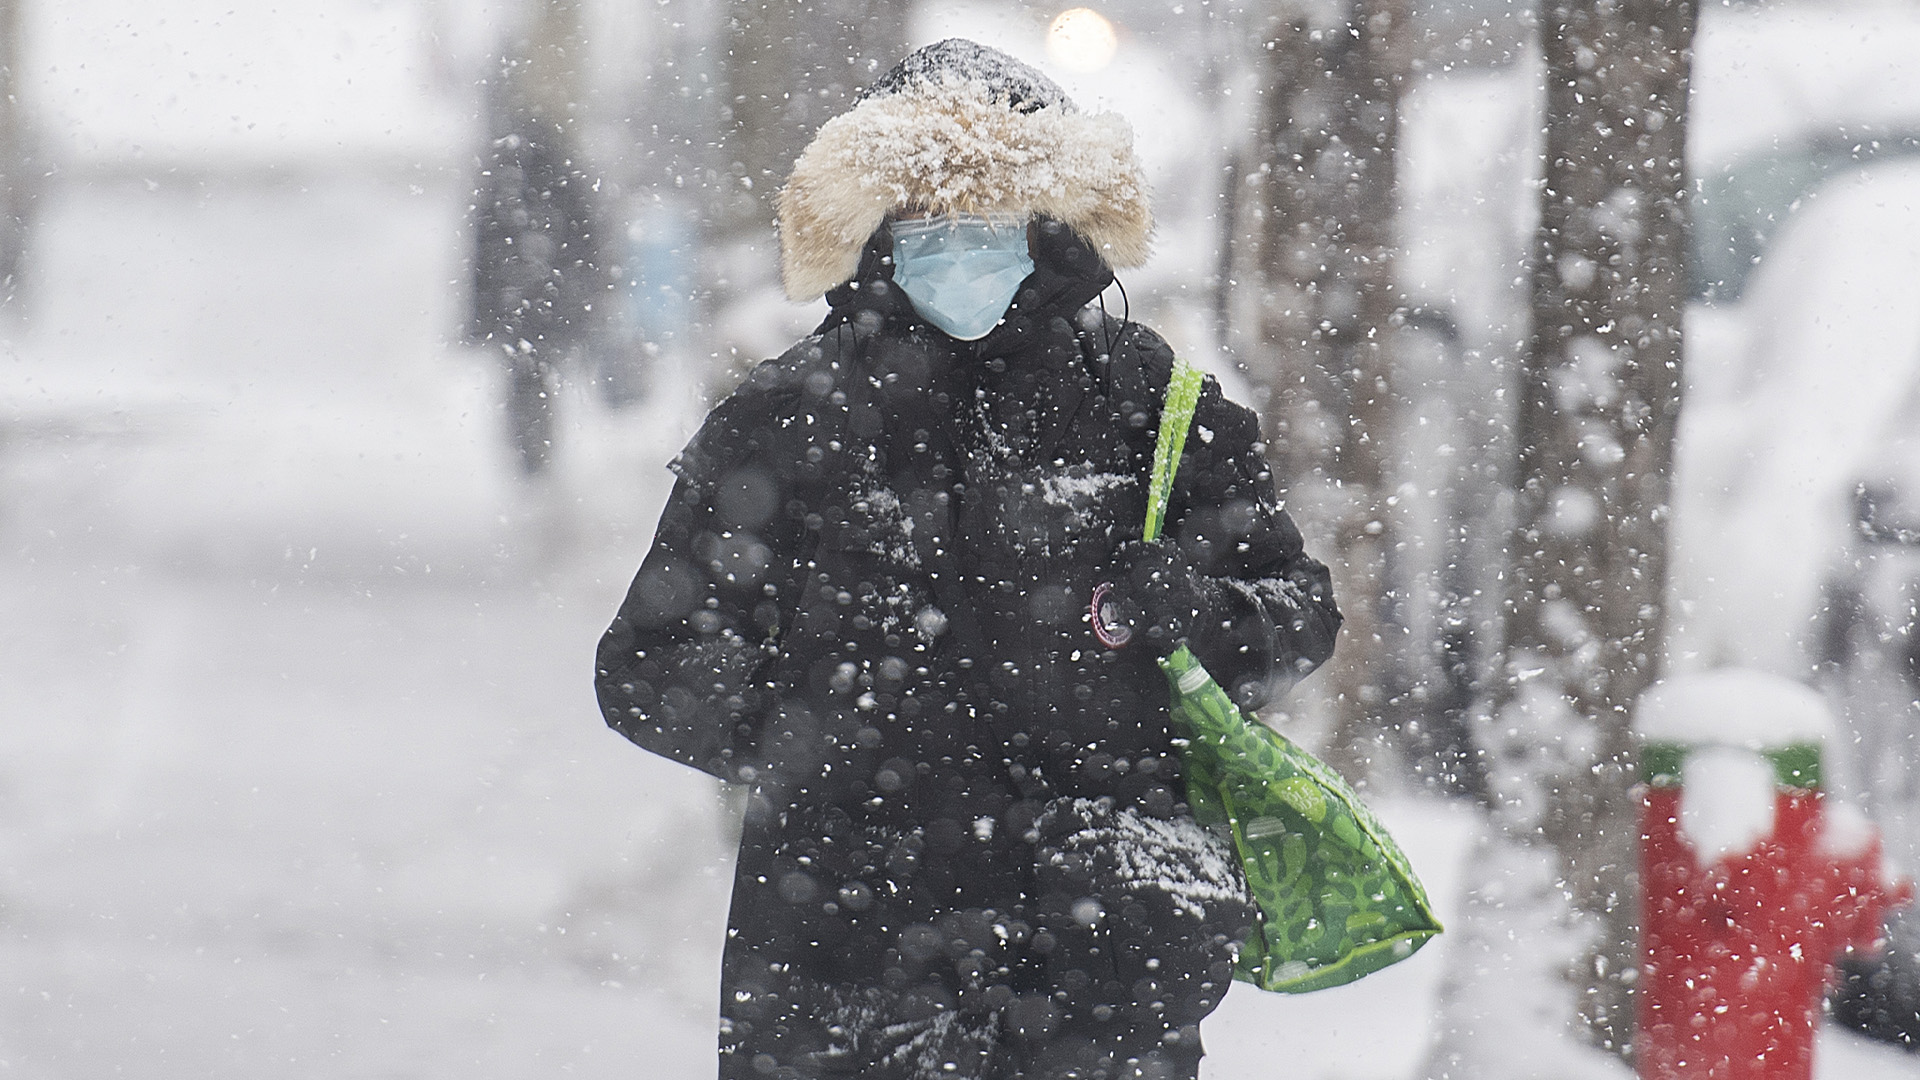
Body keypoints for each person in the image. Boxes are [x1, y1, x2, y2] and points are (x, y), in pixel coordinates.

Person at [596, 40, 1341, 1080]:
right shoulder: (784, 424)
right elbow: (649, 665)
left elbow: (1296, 612)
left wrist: (1197, 610)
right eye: (927, 230)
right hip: (845, 956)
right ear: (873, 236)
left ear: (1054, 231)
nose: (960, 256)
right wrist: (818, 748)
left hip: (1101, 957)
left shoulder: (1148, 406)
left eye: (991, 229)